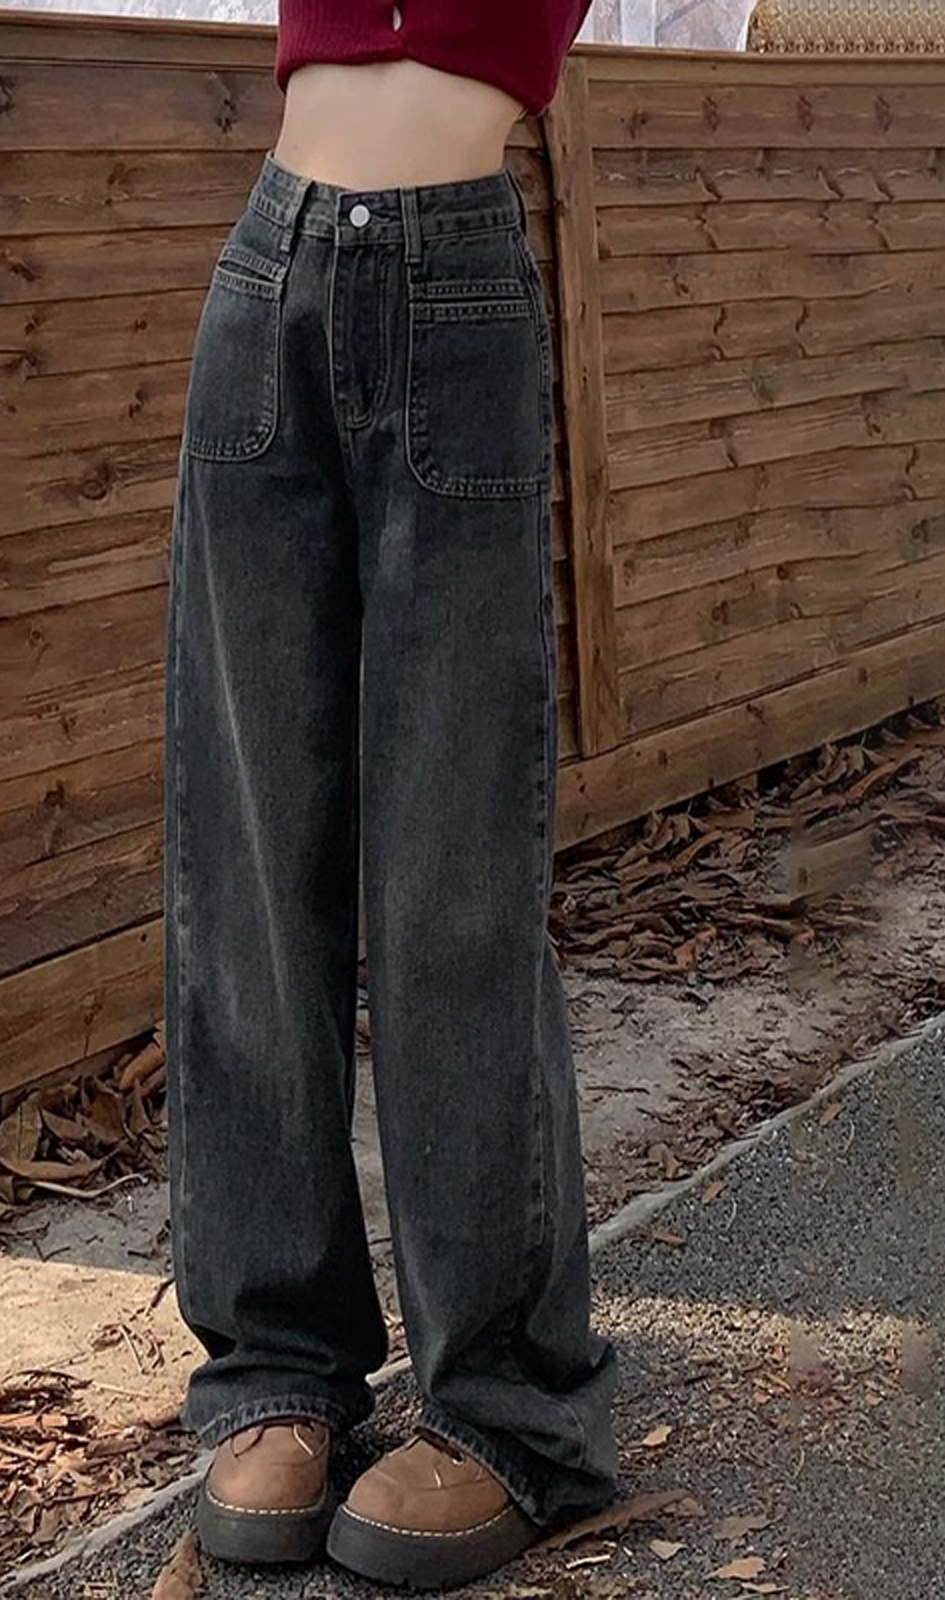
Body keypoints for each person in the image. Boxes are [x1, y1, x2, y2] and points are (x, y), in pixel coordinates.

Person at [162, 0, 619, 1587]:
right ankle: (275, 1364)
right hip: (267, 272)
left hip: (457, 282)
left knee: (452, 878)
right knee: (245, 869)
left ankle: (508, 1405)